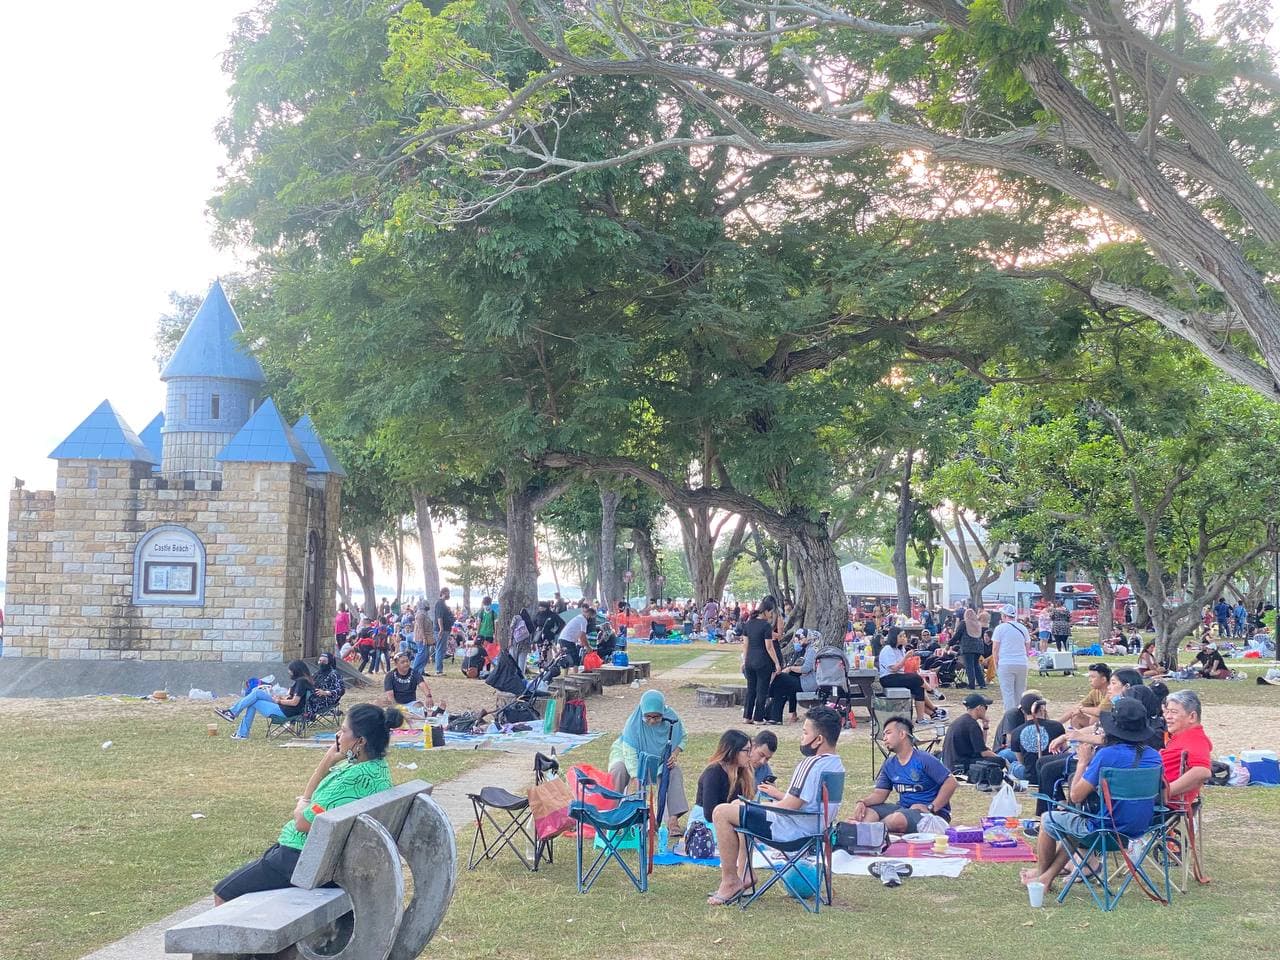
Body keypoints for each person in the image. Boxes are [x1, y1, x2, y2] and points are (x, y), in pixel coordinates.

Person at [212, 704, 402, 903]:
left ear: (360, 741)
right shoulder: (377, 770)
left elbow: (302, 823)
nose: (338, 734)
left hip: (304, 859)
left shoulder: (351, 778)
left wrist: (304, 800)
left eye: (344, 730)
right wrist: (329, 761)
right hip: (333, 860)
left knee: (223, 893)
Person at [1021, 698, 1163, 893]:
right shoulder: (1153, 756)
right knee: (1072, 824)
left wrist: (1082, 763)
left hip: (1105, 830)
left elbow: (1076, 796)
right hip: (1139, 830)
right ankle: (1045, 878)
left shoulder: (1107, 755)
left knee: (1049, 819)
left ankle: (1041, 877)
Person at [707, 707, 845, 906]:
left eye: (805, 733)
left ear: (819, 739)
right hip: (814, 831)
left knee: (721, 812)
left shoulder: (811, 764)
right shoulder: (836, 765)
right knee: (738, 807)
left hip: (789, 831)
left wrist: (758, 805)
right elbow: (802, 803)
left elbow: (790, 806)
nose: (802, 737)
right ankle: (744, 873)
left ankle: (730, 882)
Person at [850, 715, 958, 832]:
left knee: (897, 820)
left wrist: (931, 807)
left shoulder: (923, 759)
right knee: (867, 812)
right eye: (884, 734)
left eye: (888, 733)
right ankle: (865, 832)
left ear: (902, 734)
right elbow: (880, 794)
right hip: (904, 809)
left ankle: (867, 830)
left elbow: (951, 782)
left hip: (931, 814)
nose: (884, 738)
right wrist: (863, 802)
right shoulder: (889, 764)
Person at [607, 690, 690, 834]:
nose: (652, 721)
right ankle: (612, 817)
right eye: (648, 717)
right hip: (628, 756)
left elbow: (683, 737)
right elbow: (630, 755)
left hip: (658, 758)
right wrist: (635, 776)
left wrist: (674, 754)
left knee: (674, 772)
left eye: (656, 717)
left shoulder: (672, 719)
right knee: (619, 770)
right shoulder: (633, 724)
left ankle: (671, 821)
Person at [215, 661, 314, 740]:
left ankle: (236, 722)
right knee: (257, 693)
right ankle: (237, 724)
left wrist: (279, 701)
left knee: (254, 700)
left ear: (296, 671)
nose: (289, 673)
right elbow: (294, 699)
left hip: (285, 711)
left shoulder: (301, 682)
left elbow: (294, 702)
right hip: (285, 708)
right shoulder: (304, 681)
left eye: (290, 671)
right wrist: (280, 698)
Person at [691, 729, 756, 844]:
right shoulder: (713, 772)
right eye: (746, 751)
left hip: (728, 820)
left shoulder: (742, 773)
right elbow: (709, 814)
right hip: (706, 824)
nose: (750, 755)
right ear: (733, 751)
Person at [1161, 690, 1213, 812]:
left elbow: (1203, 771)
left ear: (1192, 717)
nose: (1168, 717)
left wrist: (1166, 791)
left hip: (1165, 806)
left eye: (1174, 712)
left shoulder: (1196, 739)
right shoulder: (1181, 736)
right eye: (1167, 711)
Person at [877, 625, 945, 721]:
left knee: (918, 688)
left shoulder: (900, 649)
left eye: (904, 636)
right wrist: (906, 658)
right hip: (888, 678)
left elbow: (904, 668)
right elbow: (894, 668)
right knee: (916, 678)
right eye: (901, 636)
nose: (903, 638)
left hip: (899, 676)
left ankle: (924, 717)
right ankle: (932, 693)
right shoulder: (888, 649)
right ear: (894, 637)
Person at [1001, 697, 1066, 784]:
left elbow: (1022, 761)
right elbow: (1064, 751)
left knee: (1013, 764)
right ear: (1042, 708)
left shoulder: (1016, 732)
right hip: (1054, 773)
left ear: (1023, 711)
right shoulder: (1057, 726)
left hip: (1030, 775)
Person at [740, 597, 783, 724]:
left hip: (750, 661)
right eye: (770, 613)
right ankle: (758, 717)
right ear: (765, 611)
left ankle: (747, 716)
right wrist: (776, 663)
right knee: (761, 690)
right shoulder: (765, 626)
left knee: (751, 689)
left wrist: (744, 661)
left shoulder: (748, 624)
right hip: (763, 662)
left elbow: (745, 645)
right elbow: (769, 647)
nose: (771, 616)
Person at [765, 628, 815, 724]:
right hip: (804, 680)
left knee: (780, 678)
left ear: (808, 638)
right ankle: (775, 718)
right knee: (781, 688)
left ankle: (768, 694)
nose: (798, 641)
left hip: (808, 683)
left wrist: (790, 669)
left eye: (801, 638)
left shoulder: (812, 650)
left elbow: (806, 668)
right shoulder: (805, 650)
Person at [942, 693, 1001, 775]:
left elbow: (981, 746)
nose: (986, 710)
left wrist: (985, 728)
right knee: (999, 761)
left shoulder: (962, 720)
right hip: (960, 765)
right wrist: (1003, 759)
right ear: (979, 708)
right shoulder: (972, 725)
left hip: (950, 762)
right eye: (985, 707)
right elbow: (984, 753)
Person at [991, 603, 1032, 710]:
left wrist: (996, 663)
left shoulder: (1000, 628)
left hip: (1006, 663)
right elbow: (1027, 646)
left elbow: (995, 649)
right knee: (1020, 692)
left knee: (1008, 693)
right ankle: (1020, 715)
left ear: (1004, 615)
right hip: (1021, 663)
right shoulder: (1023, 628)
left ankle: (1010, 718)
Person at [956, 606, 987, 690]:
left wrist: (949, 644)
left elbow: (957, 635)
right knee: (976, 665)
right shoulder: (978, 624)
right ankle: (982, 684)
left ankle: (971, 685)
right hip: (979, 647)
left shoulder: (964, 623)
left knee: (969, 666)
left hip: (968, 647)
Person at [309, 652, 346, 718]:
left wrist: (325, 693)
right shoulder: (317, 673)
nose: (321, 663)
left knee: (305, 702)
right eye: (320, 661)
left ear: (329, 662)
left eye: (324, 661)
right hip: (315, 697)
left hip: (327, 700)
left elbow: (341, 690)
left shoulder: (334, 674)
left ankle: (303, 719)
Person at [558, 604, 593, 672]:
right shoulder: (583, 620)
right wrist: (588, 646)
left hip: (564, 638)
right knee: (575, 659)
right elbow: (582, 635)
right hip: (567, 640)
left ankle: (566, 675)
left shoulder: (579, 617)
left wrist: (582, 643)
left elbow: (580, 635)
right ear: (589, 614)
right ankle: (575, 675)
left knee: (567, 658)